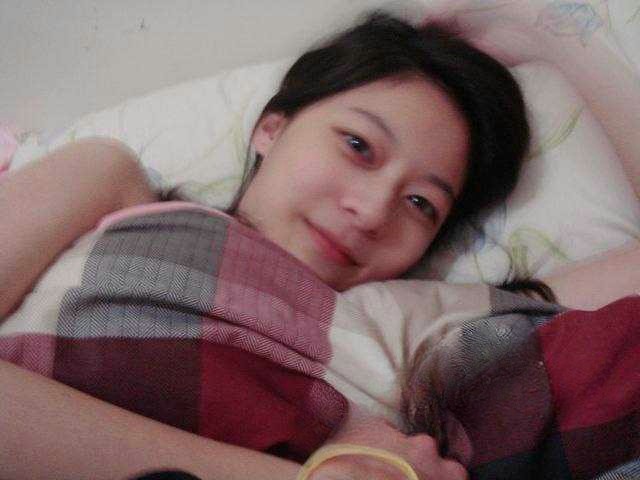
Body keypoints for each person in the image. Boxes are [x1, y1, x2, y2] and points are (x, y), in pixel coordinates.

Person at [0, 3, 638, 479]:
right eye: (358, 145)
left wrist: (556, 38)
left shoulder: (412, 316)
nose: (372, 211)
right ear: (271, 129)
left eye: (421, 204)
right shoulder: (114, 185)